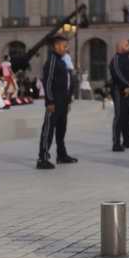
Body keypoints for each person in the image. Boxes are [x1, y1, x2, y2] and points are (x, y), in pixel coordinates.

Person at [37, 36, 77, 169]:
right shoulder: (52, 61)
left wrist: (68, 101)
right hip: (54, 101)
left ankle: (61, 154)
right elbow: (47, 82)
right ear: (57, 47)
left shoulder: (61, 61)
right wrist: (50, 101)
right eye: (65, 47)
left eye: (67, 46)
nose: (67, 49)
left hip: (63, 101)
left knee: (61, 129)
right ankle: (42, 158)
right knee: (48, 130)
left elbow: (64, 83)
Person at [109, 41, 129, 151]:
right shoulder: (116, 59)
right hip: (121, 91)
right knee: (120, 116)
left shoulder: (127, 59)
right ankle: (116, 142)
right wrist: (126, 85)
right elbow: (116, 73)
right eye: (126, 45)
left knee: (127, 117)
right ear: (119, 47)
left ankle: (127, 140)